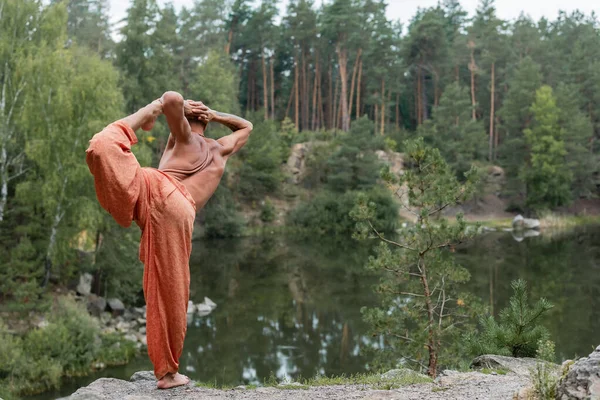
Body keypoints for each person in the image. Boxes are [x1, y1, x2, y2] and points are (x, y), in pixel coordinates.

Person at [85, 91, 253, 389]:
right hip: (178, 211)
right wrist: (213, 114)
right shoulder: (220, 149)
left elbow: (172, 97)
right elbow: (246, 127)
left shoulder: (185, 137)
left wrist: (161, 107)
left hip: (157, 190)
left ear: (186, 122)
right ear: (207, 123)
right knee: (171, 290)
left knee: (103, 146)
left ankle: (145, 113)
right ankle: (167, 373)